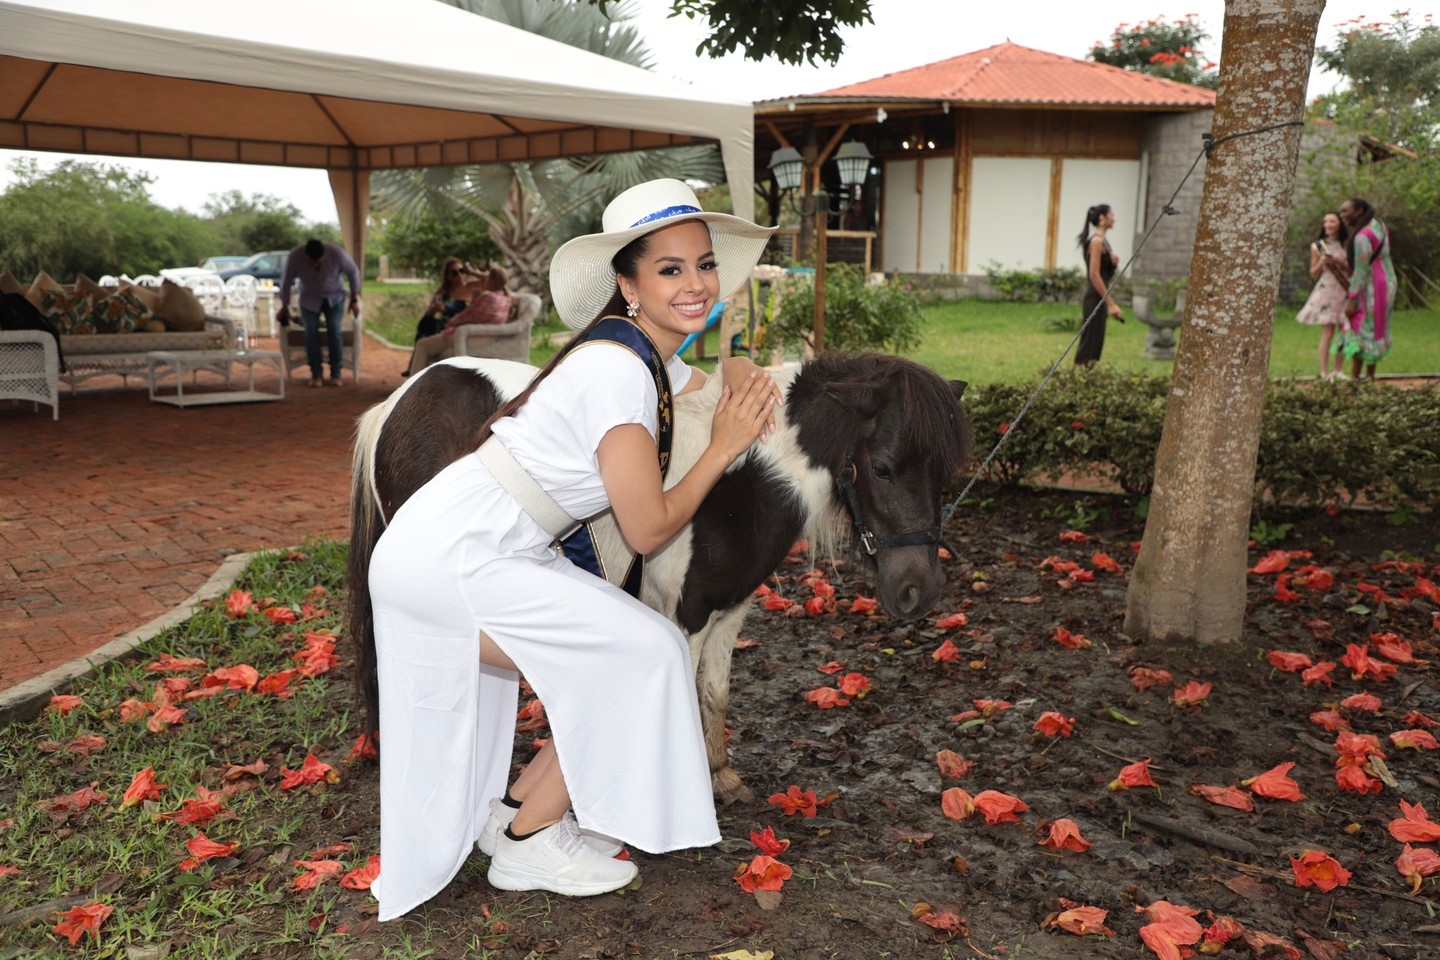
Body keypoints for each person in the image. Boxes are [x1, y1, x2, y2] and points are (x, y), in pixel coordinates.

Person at [367, 179, 782, 920]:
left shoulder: (639, 354)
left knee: (625, 650)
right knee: (642, 654)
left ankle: (514, 815)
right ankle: (529, 843)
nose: (696, 284)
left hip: (480, 542)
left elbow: (721, 378)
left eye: (705, 265)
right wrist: (723, 447)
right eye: (670, 269)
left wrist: (744, 372)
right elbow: (649, 529)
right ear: (627, 282)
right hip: (453, 557)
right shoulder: (618, 371)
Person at [275, 238, 361, 387]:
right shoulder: (295, 256)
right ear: (306, 256)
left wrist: (354, 299)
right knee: (310, 333)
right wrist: (285, 305)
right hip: (309, 299)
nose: (316, 265)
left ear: (325, 255)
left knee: (335, 331)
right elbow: (286, 280)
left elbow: (353, 272)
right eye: (312, 262)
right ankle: (316, 374)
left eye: (319, 262)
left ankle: (336, 373)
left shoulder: (336, 253)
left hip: (334, 297)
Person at [406, 264, 514, 376]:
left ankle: (413, 386)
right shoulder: (505, 298)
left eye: (461, 271)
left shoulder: (484, 295)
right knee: (427, 326)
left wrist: (473, 276)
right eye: (454, 272)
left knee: (423, 345)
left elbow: (467, 316)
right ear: (447, 276)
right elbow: (497, 280)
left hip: (465, 334)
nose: (459, 274)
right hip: (468, 332)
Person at [1335, 197, 1394, 381]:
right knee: (1376, 329)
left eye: (1346, 211)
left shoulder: (1361, 237)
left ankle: (1355, 379)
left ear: (1359, 211)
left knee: (1360, 327)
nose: (1342, 215)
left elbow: (1361, 270)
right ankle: (1370, 377)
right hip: (1388, 283)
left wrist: (1352, 298)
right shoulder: (1379, 225)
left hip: (1370, 288)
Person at [1294, 211, 1350, 379]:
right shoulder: (1318, 246)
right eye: (1326, 221)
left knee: (1344, 330)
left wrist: (1339, 262)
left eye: (1332, 221)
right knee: (1328, 331)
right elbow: (1313, 273)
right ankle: (1324, 372)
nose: (1328, 224)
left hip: (1344, 290)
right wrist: (1322, 261)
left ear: (1339, 224)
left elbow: (1353, 268)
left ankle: (1338, 370)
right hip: (1327, 290)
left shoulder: (1347, 244)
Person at [1075, 204, 1123, 366]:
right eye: (1112, 214)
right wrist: (1111, 304)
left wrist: (1112, 263)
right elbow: (1094, 275)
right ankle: (1079, 382)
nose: (1114, 218)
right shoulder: (1096, 241)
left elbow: (1103, 273)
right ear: (1102, 218)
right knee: (1089, 347)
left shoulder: (1101, 241)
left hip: (1098, 298)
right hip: (1095, 298)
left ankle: (1086, 382)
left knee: (1095, 346)